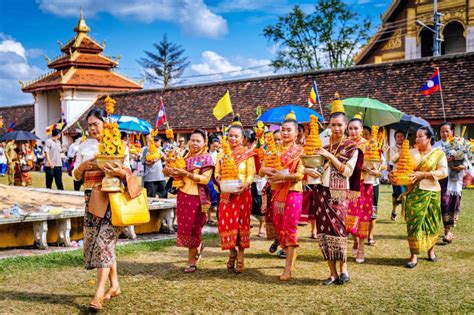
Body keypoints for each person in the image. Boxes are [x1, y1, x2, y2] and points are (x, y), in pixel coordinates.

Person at [73, 108, 132, 310]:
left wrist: (117, 171)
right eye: (89, 125)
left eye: (95, 124)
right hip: (91, 198)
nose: (92, 128)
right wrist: (83, 168)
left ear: (105, 124)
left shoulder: (119, 144)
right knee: (99, 243)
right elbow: (75, 175)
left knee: (103, 242)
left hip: (111, 197)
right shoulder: (84, 147)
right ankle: (114, 285)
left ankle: (98, 294)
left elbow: (128, 172)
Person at [309, 95, 363, 285]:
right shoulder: (324, 146)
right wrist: (312, 169)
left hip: (339, 192)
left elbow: (347, 171)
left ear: (346, 126)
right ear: (329, 126)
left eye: (340, 125)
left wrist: (329, 156)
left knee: (339, 231)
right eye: (333, 125)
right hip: (322, 192)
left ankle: (344, 270)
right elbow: (315, 168)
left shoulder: (352, 148)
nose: (336, 128)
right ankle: (332, 272)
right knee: (323, 231)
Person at [389, 126, 448, 268]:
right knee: (413, 223)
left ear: (429, 138)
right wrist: (393, 174)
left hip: (432, 191)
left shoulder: (439, 153)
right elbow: (397, 164)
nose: (417, 139)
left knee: (431, 222)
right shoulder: (410, 152)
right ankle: (413, 255)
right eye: (416, 136)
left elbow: (444, 172)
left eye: (421, 136)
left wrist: (424, 174)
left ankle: (431, 251)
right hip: (413, 192)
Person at [260, 112, 304, 281]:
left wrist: (285, 177)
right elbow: (262, 169)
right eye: (283, 130)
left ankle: (288, 269)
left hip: (293, 191)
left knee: (290, 227)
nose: (285, 133)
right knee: (279, 227)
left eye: (289, 130)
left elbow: (300, 174)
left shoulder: (300, 151)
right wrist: (269, 172)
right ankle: (289, 253)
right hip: (276, 191)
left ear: (296, 133)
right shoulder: (272, 151)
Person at [163, 129, 214, 273]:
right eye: (192, 140)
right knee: (185, 227)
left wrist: (186, 173)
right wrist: (169, 171)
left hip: (198, 197)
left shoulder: (207, 159)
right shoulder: (184, 156)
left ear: (205, 143)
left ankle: (191, 260)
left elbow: (205, 179)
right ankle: (197, 247)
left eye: (198, 141)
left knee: (194, 227)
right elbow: (167, 171)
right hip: (183, 195)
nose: (195, 143)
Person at [215, 115, 256, 274]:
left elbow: (251, 173)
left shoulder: (247, 154)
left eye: (236, 136)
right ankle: (231, 252)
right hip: (226, 194)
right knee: (225, 224)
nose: (233, 139)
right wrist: (219, 180)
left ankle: (240, 256)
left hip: (242, 194)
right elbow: (217, 173)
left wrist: (244, 185)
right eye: (230, 135)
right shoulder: (221, 154)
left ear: (242, 138)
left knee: (241, 225)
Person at [345, 115, 372, 263]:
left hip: (363, 184)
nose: (353, 131)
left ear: (361, 130)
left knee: (362, 216)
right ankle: (354, 239)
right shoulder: (344, 144)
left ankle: (361, 248)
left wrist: (372, 168)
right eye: (350, 128)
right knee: (347, 215)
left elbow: (380, 164)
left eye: (356, 128)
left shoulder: (368, 145)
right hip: (347, 185)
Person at [436, 122, 467, 243]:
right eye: (442, 131)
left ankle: (449, 229)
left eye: (447, 131)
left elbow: (467, 158)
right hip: (443, 179)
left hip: (456, 179)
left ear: (452, 132)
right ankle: (446, 231)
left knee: (454, 202)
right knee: (445, 202)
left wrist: (462, 166)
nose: (444, 134)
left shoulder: (459, 143)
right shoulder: (437, 146)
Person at [389, 130, 406, 221]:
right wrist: (400, 151)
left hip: (406, 174)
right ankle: (394, 210)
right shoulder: (392, 148)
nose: (400, 138)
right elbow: (393, 160)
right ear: (395, 139)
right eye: (398, 136)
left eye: (402, 136)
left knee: (406, 194)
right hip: (396, 174)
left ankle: (406, 213)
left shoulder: (409, 148)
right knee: (396, 193)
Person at [207, 137, 221, 224]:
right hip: (208, 178)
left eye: (217, 146)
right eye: (214, 146)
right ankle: (209, 217)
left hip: (216, 178)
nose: (215, 148)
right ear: (210, 145)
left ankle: (219, 217)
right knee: (208, 197)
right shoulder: (206, 154)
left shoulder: (220, 154)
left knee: (217, 198)